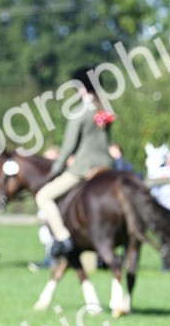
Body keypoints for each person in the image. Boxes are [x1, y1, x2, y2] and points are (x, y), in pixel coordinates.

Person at [35, 67, 115, 258]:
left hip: (84, 168)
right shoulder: (105, 109)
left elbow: (69, 146)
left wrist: (56, 168)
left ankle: (63, 238)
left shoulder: (79, 112)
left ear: (82, 87)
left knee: (43, 196)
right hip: (107, 165)